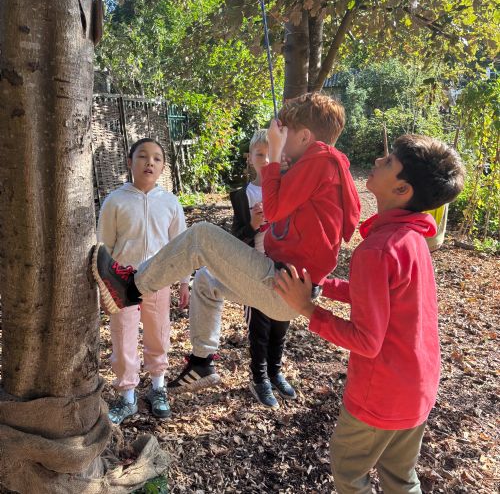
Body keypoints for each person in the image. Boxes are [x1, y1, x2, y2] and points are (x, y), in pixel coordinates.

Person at [92, 92, 360, 396]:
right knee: (207, 281)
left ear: (305, 137)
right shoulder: (325, 166)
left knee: (202, 236)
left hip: (282, 285)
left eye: (284, 133)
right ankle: (202, 361)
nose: (280, 139)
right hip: (287, 286)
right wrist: (283, 169)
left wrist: (274, 156)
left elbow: (273, 209)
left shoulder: (321, 161)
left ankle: (129, 288)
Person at [273, 134, 465, 493]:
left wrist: (306, 308)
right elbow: (379, 297)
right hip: (417, 388)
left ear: (402, 189)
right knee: (401, 478)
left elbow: (366, 341)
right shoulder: (412, 239)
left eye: (389, 161)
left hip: (380, 396)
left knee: (349, 472)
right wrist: (324, 285)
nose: (378, 161)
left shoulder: (377, 250)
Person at [97, 138, 190, 425]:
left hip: (158, 279)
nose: (150, 162)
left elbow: (181, 246)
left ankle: (158, 387)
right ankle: (127, 397)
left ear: (163, 167)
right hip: (122, 282)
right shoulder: (115, 200)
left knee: (158, 333)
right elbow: (104, 246)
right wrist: (104, 284)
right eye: (142, 156)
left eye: (157, 158)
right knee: (123, 335)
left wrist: (184, 281)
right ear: (129, 162)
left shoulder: (170, 202)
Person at [230, 129, 296, 409]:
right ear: (250, 158)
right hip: (254, 267)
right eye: (260, 154)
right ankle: (259, 378)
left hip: (283, 267)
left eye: (271, 154)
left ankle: (275, 372)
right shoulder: (242, 195)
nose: (266, 159)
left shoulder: (288, 188)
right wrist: (253, 225)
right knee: (260, 329)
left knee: (280, 323)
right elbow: (235, 240)